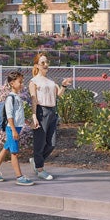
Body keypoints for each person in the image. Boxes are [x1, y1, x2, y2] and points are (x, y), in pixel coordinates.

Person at [28, 53, 70, 181]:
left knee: (51, 144)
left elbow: (60, 94)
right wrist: (34, 116)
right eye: (43, 63)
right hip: (41, 112)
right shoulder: (33, 81)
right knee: (39, 143)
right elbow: (34, 99)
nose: (46, 65)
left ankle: (36, 161)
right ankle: (40, 169)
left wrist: (63, 85)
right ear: (37, 65)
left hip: (52, 112)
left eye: (47, 62)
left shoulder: (51, 81)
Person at [0, 71, 34, 186]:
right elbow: (9, 116)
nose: (22, 84)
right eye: (20, 82)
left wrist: (28, 123)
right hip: (12, 128)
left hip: (16, 128)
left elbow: (19, 115)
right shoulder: (10, 98)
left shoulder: (17, 97)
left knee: (5, 149)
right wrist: (14, 130)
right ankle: (19, 177)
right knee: (14, 153)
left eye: (22, 82)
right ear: (12, 83)